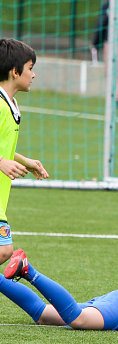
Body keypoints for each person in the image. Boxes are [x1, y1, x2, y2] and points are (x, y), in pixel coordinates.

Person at [0, 38, 49, 265]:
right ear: (14, 72)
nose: (34, 75)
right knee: (4, 251)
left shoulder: (10, 103)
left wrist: (23, 160)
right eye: (30, 68)